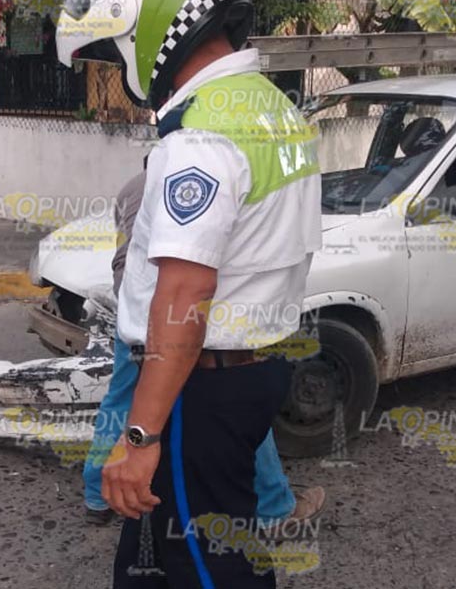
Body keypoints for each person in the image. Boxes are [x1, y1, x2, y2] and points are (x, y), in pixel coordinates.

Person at [56, 0, 322, 586]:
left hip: (195, 391)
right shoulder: (274, 109)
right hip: (246, 371)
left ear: (151, 22)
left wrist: (141, 436)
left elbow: (185, 292)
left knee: (209, 568)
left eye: (118, 44)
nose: (123, 65)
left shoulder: (200, 138)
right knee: (152, 559)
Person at [82, 167, 324, 528]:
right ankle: (274, 507)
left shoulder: (132, 186)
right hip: (181, 320)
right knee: (240, 411)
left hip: (131, 315)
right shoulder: (211, 185)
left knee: (120, 401)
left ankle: (98, 494)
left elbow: (128, 251)